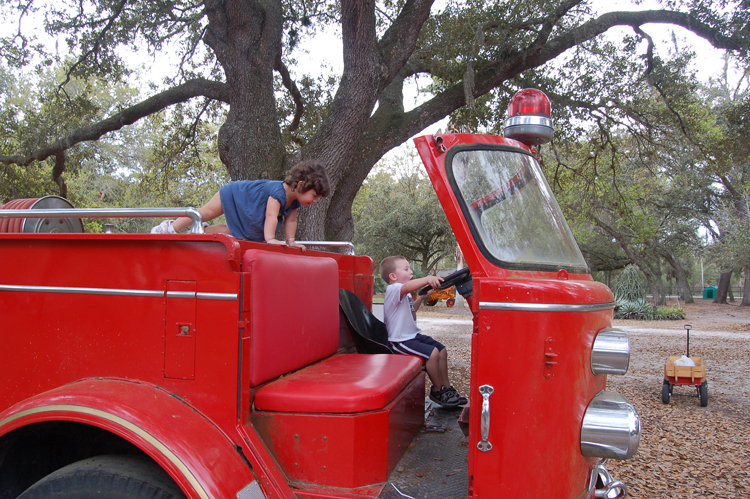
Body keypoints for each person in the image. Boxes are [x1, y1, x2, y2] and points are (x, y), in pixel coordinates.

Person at [151, 160, 330, 250]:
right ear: (300, 186)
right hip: (236, 195)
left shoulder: (294, 202)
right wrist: (270, 240)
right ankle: (169, 228)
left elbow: (291, 222)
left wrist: (291, 242)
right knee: (206, 212)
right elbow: (270, 216)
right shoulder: (278, 192)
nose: (314, 201)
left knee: (233, 232)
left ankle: (200, 233)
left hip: (249, 209)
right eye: (314, 196)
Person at [379, 255, 467, 408]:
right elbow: (408, 286)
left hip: (412, 336)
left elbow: (413, 311)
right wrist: (427, 279)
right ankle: (438, 391)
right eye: (406, 269)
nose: (411, 272)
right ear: (392, 276)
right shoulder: (393, 289)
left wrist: (421, 298)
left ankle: (447, 388)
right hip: (399, 341)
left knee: (442, 350)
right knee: (432, 353)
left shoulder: (404, 294)